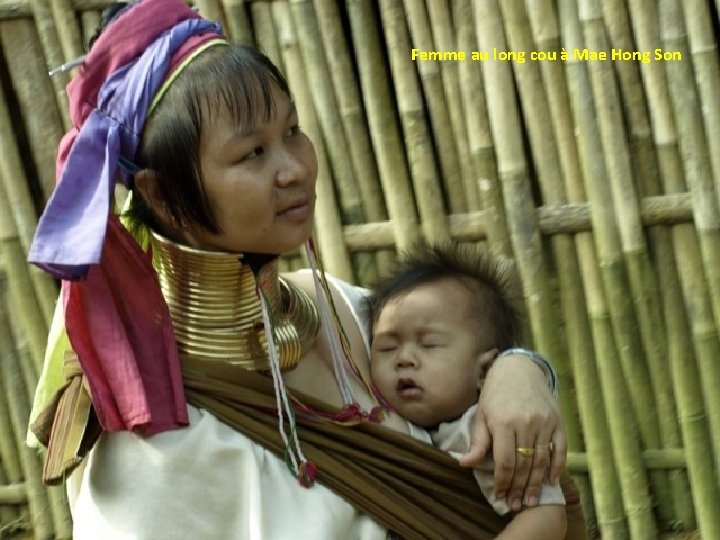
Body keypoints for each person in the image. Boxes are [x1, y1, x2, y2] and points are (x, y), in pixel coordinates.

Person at [25, 1, 578, 538]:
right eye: (253, 154)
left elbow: (464, 355)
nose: (294, 168)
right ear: (163, 195)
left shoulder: (336, 310)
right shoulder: (148, 438)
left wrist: (519, 372)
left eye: (291, 132)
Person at [367, 242, 567, 539]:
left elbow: (546, 516)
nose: (404, 358)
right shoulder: (372, 416)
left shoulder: (485, 432)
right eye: (388, 347)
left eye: (429, 344)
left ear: (485, 370)